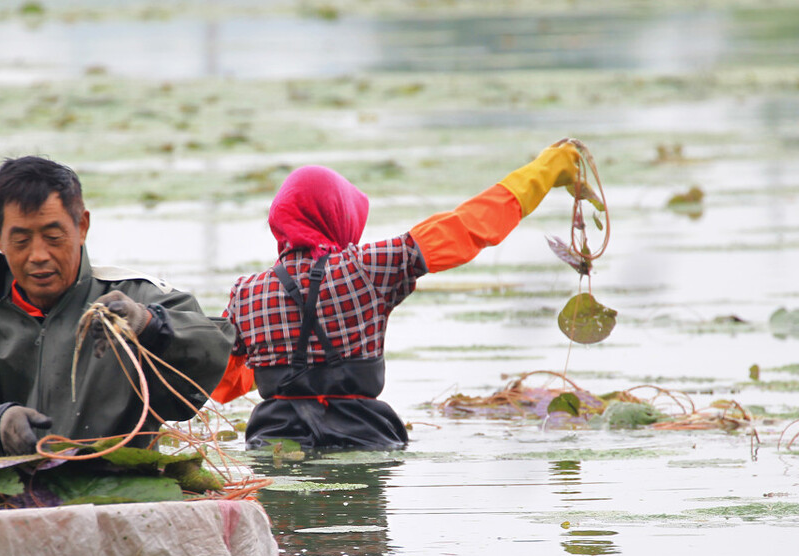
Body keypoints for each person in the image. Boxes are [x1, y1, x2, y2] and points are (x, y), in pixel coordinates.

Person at [212, 141, 582, 450]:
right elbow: (469, 226)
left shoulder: (247, 294)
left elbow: (224, 384)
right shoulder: (368, 269)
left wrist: (277, 340)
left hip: (272, 443)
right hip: (365, 437)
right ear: (339, 214)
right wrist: (547, 170)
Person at [0, 155, 233, 456]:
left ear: (82, 226)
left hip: (117, 495)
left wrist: (150, 325)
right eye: (21, 241)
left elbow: (213, 348)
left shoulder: (135, 299)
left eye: (53, 237)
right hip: (7, 497)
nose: (38, 255)